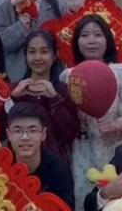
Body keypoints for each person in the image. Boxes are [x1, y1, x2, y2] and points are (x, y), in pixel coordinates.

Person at [61, 15, 122, 211]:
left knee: (118, 202)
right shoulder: (68, 75)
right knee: (86, 200)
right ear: (76, 41)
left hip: (116, 148)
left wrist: (114, 126)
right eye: (85, 35)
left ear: (108, 39)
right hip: (83, 149)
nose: (91, 41)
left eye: (97, 35)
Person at [9, 30, 80, 162]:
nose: (37, 57)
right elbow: (2, 130)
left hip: (56, 164)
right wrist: (12, 98)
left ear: (55, 55)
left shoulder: (64, 91)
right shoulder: (14, 89)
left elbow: (71, 133)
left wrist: (55, 99)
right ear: (25, 55)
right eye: (32, 52)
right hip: (18, 162)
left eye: (44, 52)